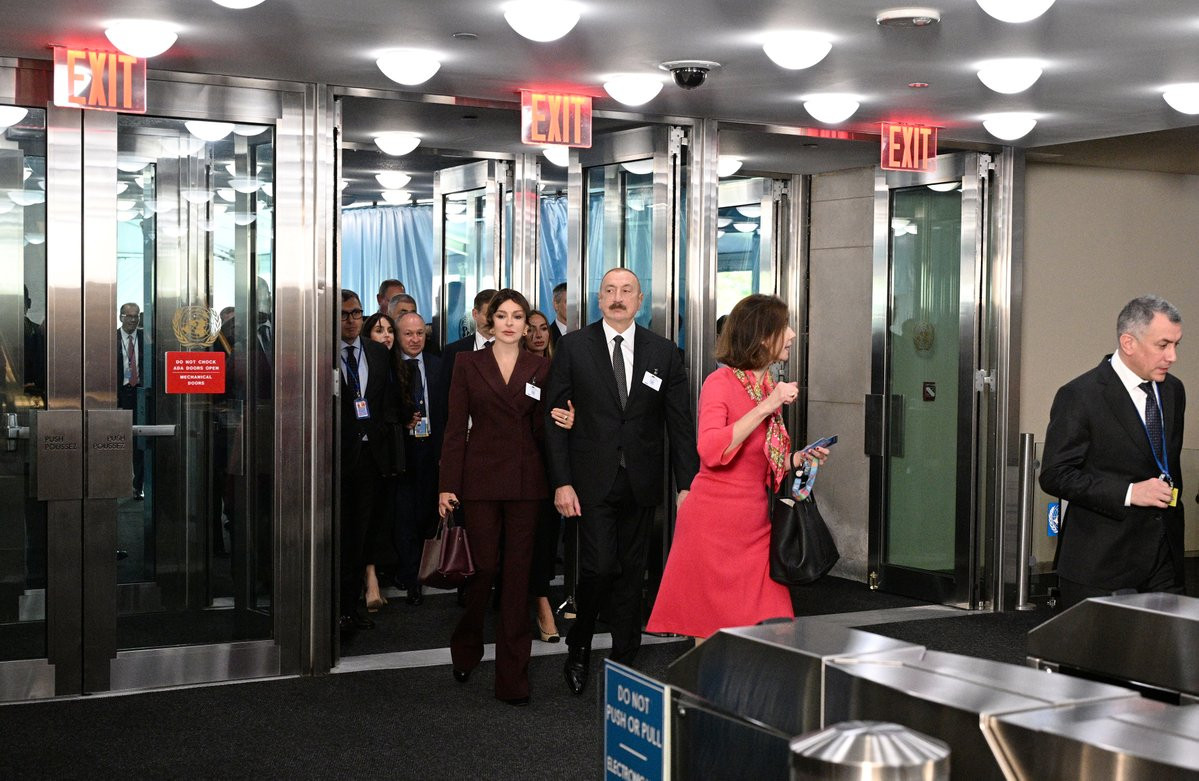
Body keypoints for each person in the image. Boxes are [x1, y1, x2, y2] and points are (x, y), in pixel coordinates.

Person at [544, 267, 699, 696]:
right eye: (610, 290)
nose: (618, 297)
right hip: (590, 480)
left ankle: (625, 656)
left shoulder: (663, 352)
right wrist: (561, 482)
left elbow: (680, 423)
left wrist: (687, 484)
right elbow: (555, 420)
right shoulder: (574, 347)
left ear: (640, 299)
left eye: (626, 290)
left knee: (633, 571)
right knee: (598, 567)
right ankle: (579, 643)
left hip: (642, 480)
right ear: (598, 299)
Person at [646, 294, 829, 640]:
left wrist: (798, 458)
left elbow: (762, 461)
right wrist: (767, 406)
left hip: (755, 526)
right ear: (762, 335)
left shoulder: (766, 387)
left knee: (773, 625)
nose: (792, 335)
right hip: (712, 527)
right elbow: (711, 450)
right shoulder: (721, 383)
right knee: (708, 633)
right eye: (784, 327)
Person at [437, 289, 554, 706]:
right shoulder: (468, 364)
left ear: (526, 325)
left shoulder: (541, 367)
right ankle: (466, 644)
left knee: (518, 579)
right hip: (480, 480)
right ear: (489, 321)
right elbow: (455, 428)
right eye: (502, 315)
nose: (509, 323)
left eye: (517, 316)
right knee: (483, 569)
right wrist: (447, 485)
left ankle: (512, 677)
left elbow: (544, 429)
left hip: (526, 483)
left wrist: (566, 419)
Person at [1040, 295, 1186, 611]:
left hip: (1165, 559)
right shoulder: (1080, 395)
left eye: (1176, 345)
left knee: (1167, 643)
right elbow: (1055, 474)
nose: (1172, 356)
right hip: (1102, 563)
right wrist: (1130, 492)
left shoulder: (1173, 390)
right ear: (1128, 342)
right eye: (1163, 345)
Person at [338, 290, 397, 633]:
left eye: (357, 313)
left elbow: (386, 399)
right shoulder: (322, 353)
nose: (351, 320)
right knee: (338, 535)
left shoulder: (376, 352)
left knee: (361, 536)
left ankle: (349, 608)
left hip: (370, 457)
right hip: (334, 457)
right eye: (344, 314)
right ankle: (331, 608)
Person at [393, 311, 441, 606]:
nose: (414, 339)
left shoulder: (438, 365)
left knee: (428, 514)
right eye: (408, 334)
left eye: (420, 333)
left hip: (431, 450)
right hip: (402, 451)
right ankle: (410, 578)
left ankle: (427, 570)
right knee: (404, 516)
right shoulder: (389, 367)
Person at [360, 312, 407, 611]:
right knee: (365, 514)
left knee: (383, 515)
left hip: (390, 453)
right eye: (379, 330)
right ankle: (369, 576)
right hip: (366, 450)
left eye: (390, 330)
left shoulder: (397, 365)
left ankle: (377, 572)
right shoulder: (364, 363)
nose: (386, 336)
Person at [523, 310, 564, 642]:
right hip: (521, 461)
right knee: (527, 535)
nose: (538, 335)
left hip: (553, 462)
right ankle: (539, 601)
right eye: (532, 329)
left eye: (542, 329)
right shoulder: (517, 367)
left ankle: (540, 593)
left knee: (546, 535)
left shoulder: (558, 367)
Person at [117, 302, 145, 499]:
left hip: (140, 394)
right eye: (129, 316)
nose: (133, 320)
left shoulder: (146, 338)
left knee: (139, 441)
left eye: (136, 316)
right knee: (117, 438)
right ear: (121, 317)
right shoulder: (110, 338)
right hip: (119, 394)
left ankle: (138, 486)